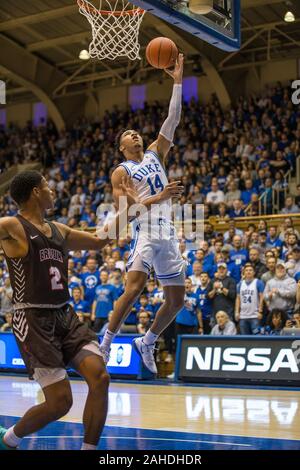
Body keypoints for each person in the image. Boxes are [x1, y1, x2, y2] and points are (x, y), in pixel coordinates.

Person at [0, 170, 139, 451]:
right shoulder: (12, 226)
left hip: (65, 314)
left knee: (100, 377)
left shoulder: (59, 230)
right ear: (36, 192)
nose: (52, 191)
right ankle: (9, 439)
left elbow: (100, 241)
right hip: (33, 319)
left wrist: (129, 209)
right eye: (47, 186)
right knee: (60, 403)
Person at [99, 55, 186, 374]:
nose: (135, 135)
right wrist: (160, 196)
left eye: (137, 133)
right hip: (146, 231)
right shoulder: (121, 171)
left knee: (177, 300)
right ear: (121, 147)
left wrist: (177, 82)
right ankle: (106, 342)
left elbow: (172, 119)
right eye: (129, 135)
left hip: (169, 231)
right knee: (134, 288)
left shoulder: (155, 152)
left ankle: (147, 341)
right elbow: (127, 211)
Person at [235, 264, 264, 335]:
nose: (248, 272)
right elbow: (238, 299)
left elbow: (262, 297)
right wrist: (236, 312)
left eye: (250, 270)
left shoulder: (258, 282)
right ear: (244, 273)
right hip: (243, 316)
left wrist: (260, 311)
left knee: (257, 338)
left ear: (254, 272)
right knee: (244, 340)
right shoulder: (240, 284)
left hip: (255, 316)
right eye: (246, 270)